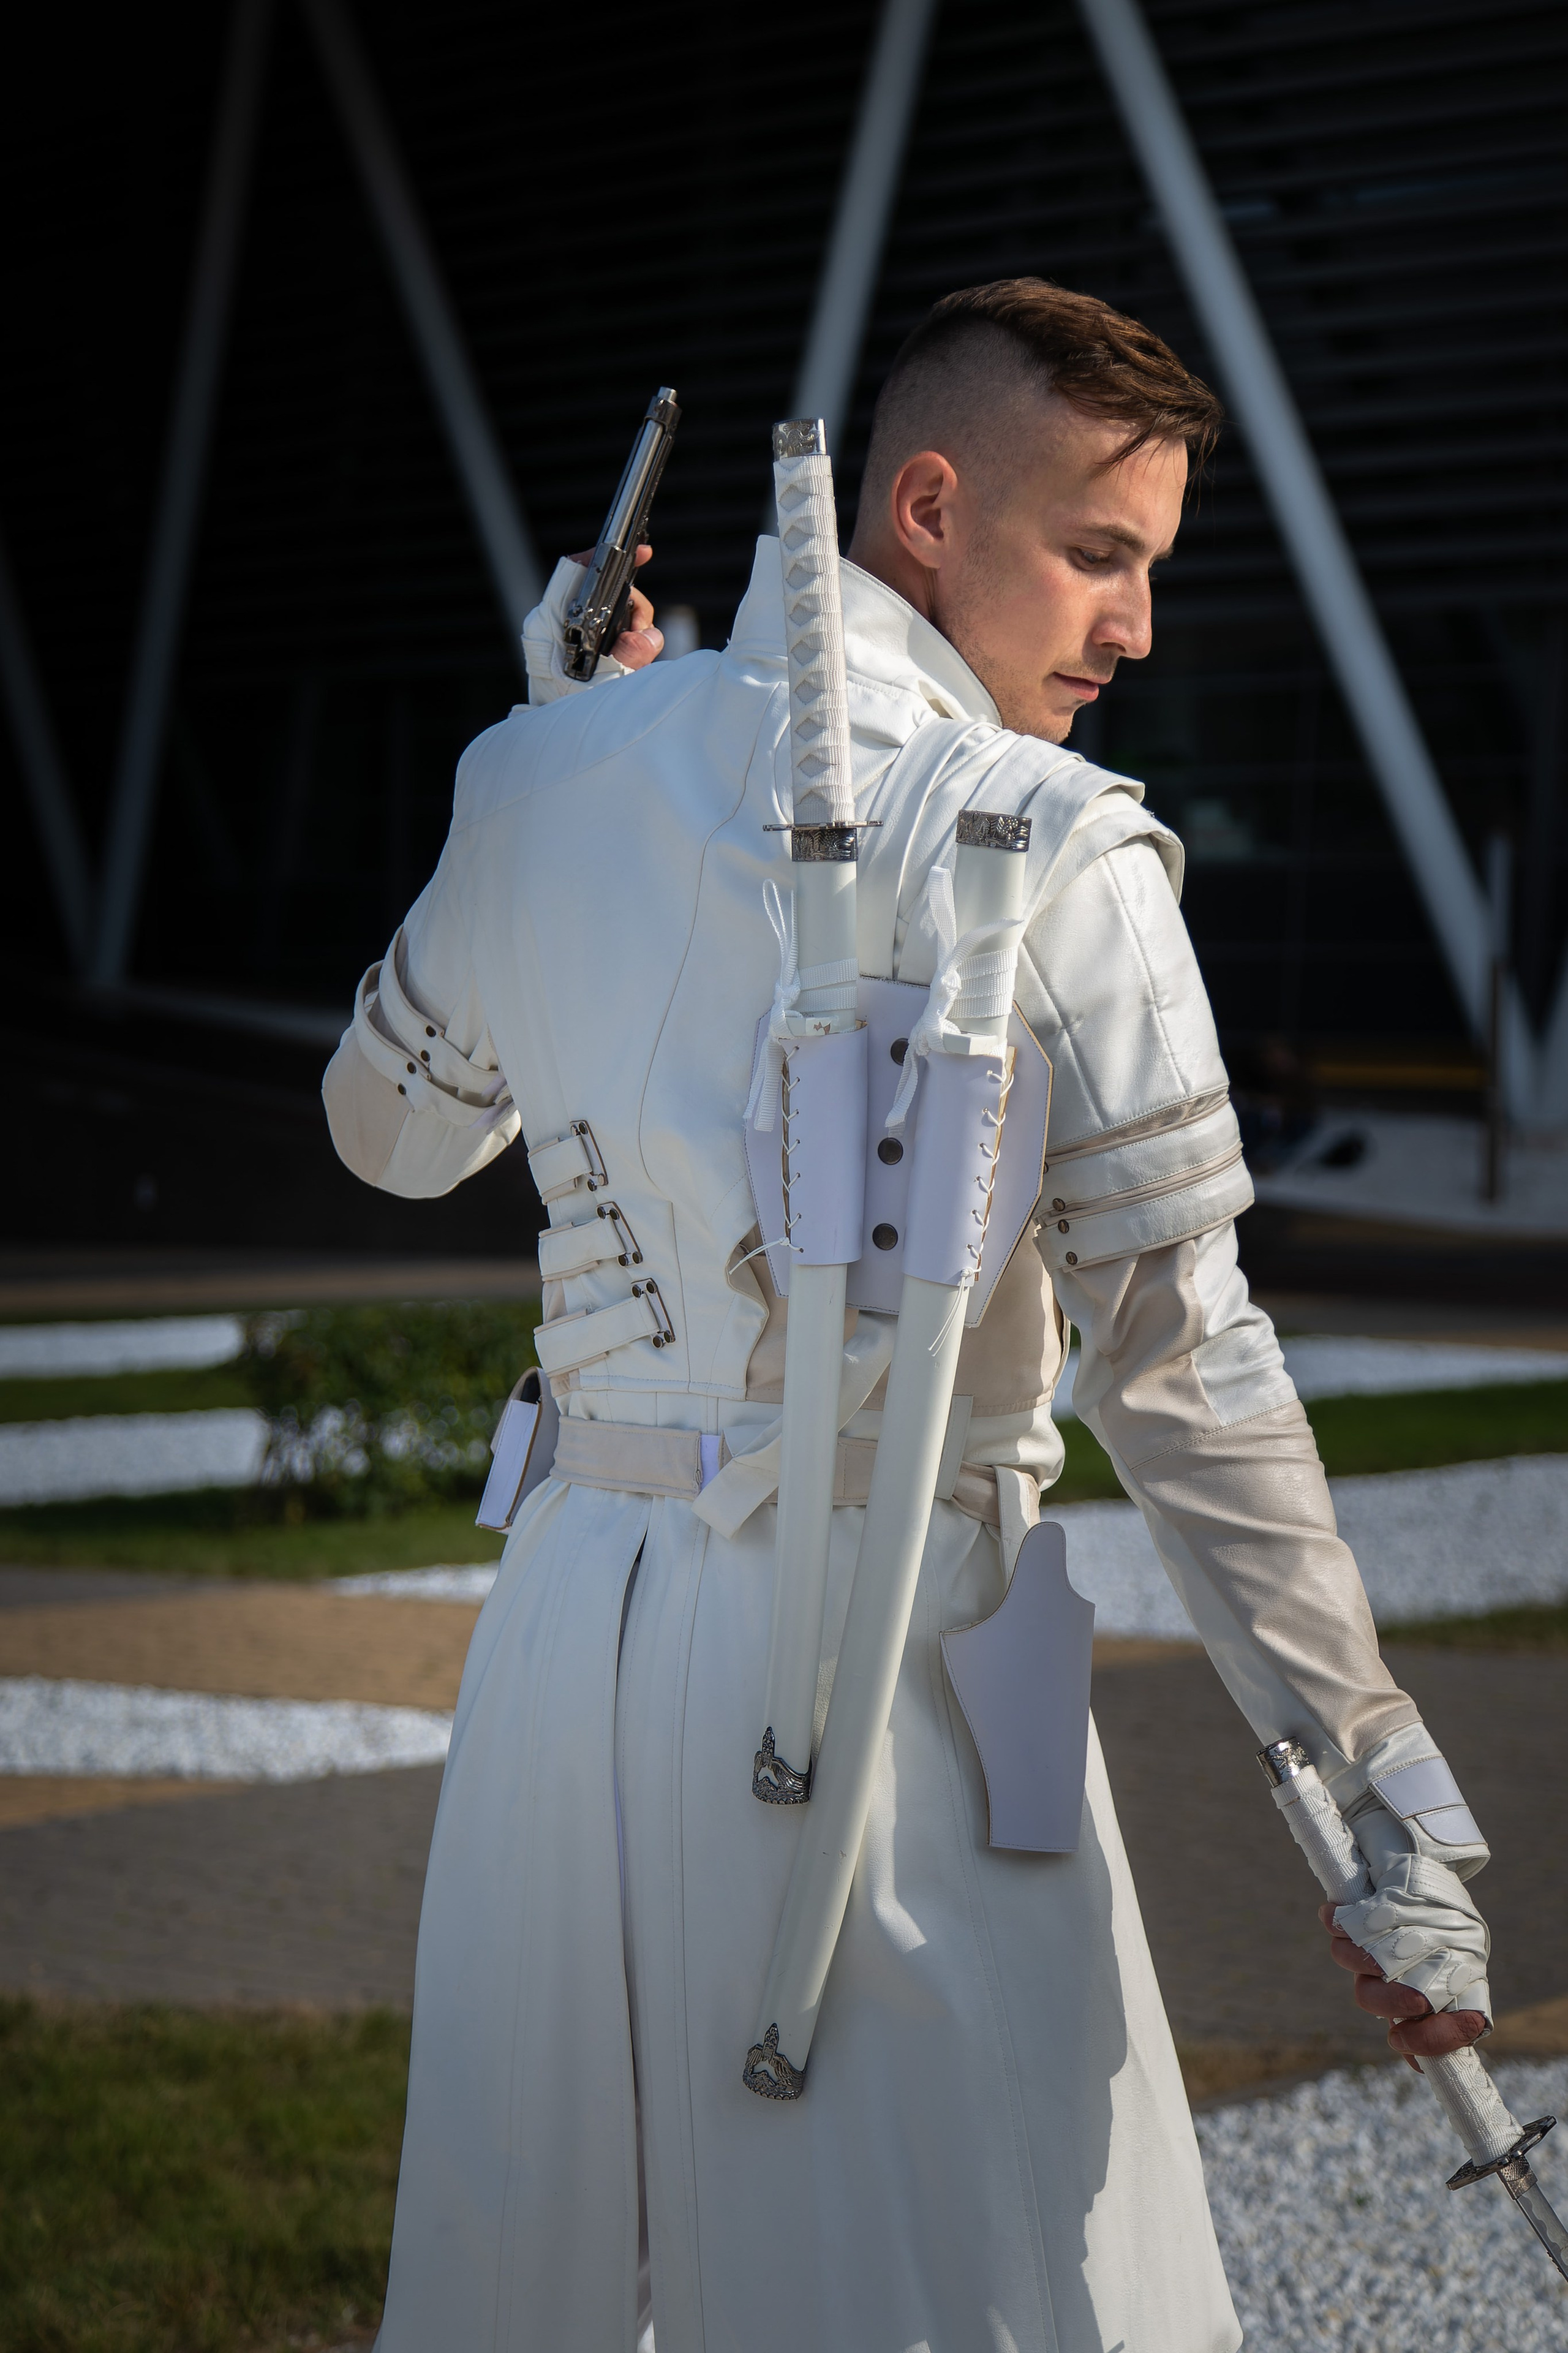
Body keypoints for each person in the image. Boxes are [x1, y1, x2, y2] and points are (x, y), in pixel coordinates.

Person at [324, 279, 1496, 2353]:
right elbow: (1189, 1371)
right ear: (930, 508)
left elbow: (389, 1127)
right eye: (1099, 554)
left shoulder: (546, 778)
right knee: (984, 2281)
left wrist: (548, 743)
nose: (1133, 627)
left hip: (557, 1672)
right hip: (888, 1680)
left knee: (551, 2290)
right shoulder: (1056, 848)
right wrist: (1375, 1775)